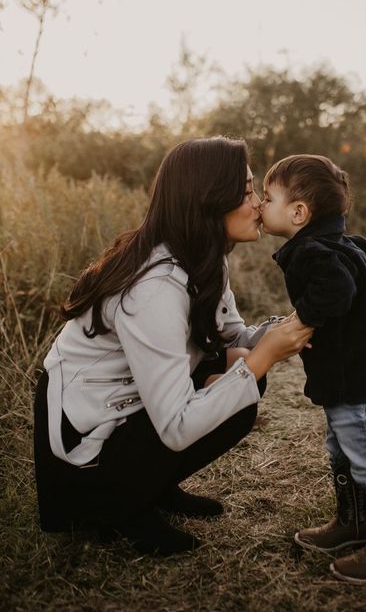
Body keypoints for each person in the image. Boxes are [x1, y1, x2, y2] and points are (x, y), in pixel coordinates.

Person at [34, 137, 313, 557]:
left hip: (128, 402)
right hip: (84, 440)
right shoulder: (155, 287)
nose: (258, 203)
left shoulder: (202, 255)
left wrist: (288, 327)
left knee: (241, 378)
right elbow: (177, 424)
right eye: (247, 191)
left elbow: (231, 337)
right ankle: (119, 509)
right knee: (243, 376)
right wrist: (265, 355)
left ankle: (154, 488)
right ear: (209, 199)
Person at [260, 154, 366, 584]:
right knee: (341, 446)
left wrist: (299, 320)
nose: (260, 205)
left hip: (359, 379)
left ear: (299, 212)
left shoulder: (313, 252)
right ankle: (355, 522)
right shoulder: (343, 245)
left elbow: (336, 292)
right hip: (363, 370)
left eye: (267, 197)